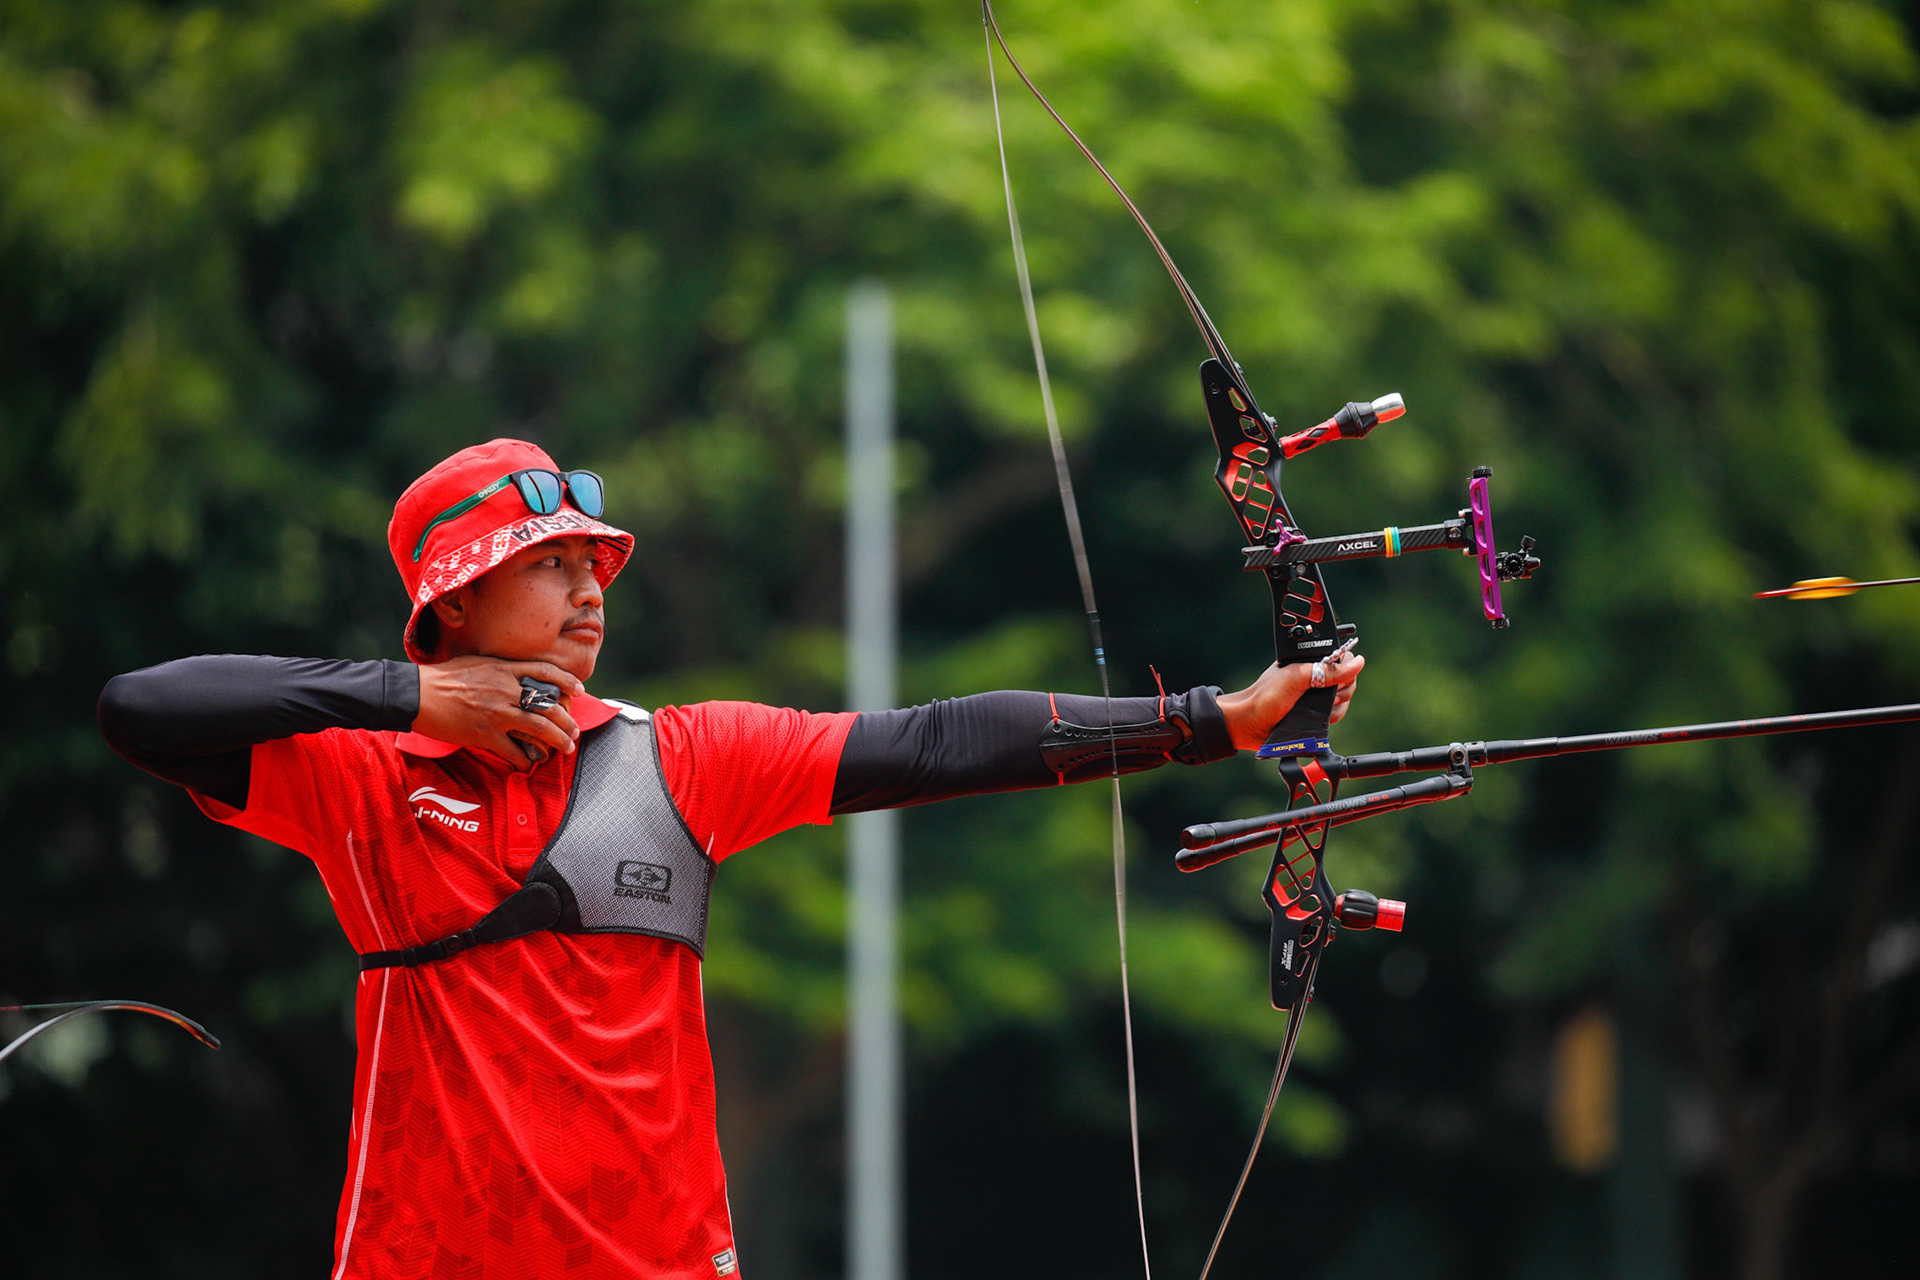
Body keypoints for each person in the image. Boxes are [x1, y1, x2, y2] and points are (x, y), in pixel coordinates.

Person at [97, 438, 1362, 1280]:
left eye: (594, 563)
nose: (591, 589)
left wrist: (1214, 718)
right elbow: (143, 708)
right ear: (456, 605)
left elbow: (935, 741)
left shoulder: (680, 760)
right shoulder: (358, 776)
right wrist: (409, 701)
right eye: (548, 566)